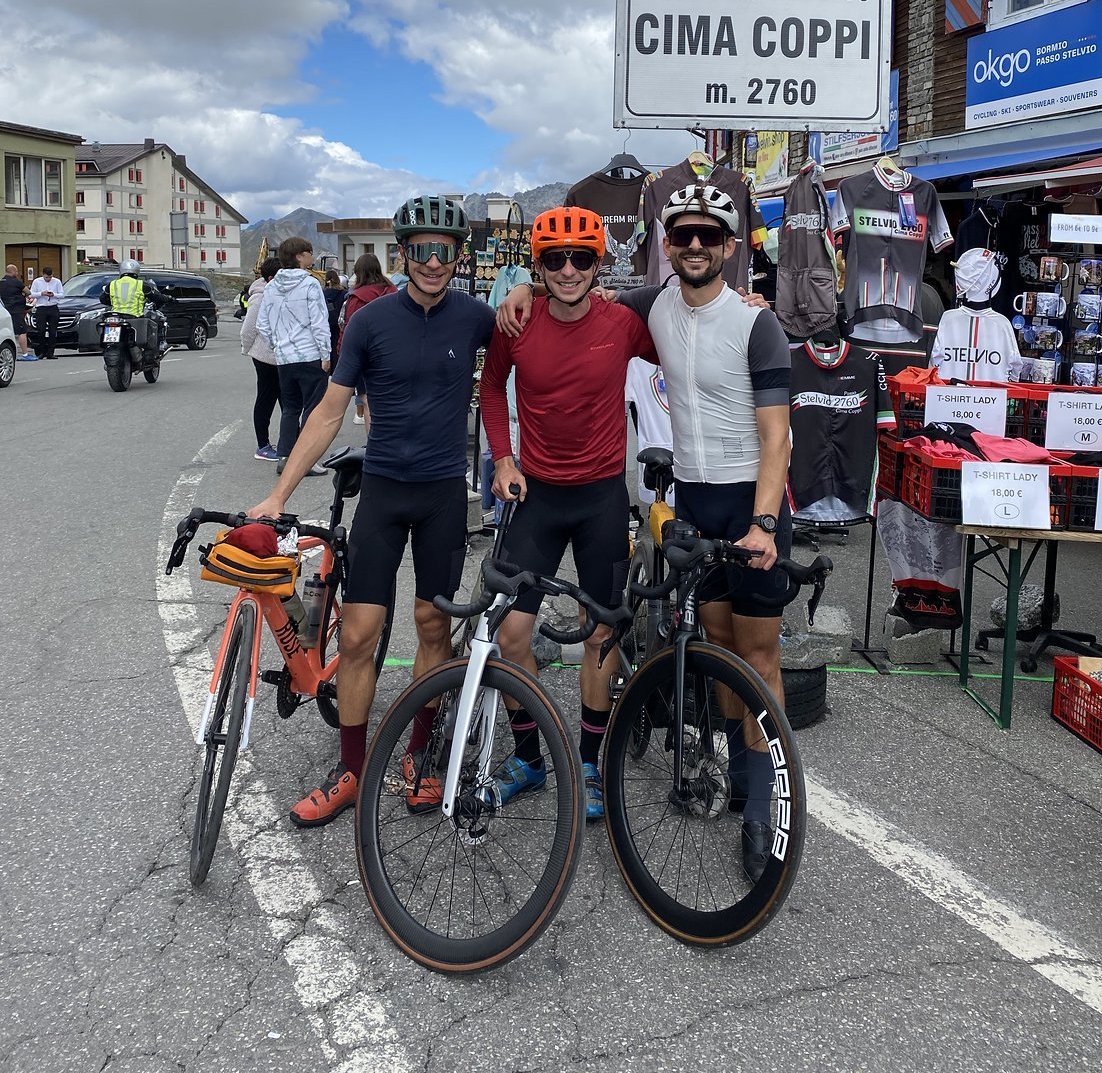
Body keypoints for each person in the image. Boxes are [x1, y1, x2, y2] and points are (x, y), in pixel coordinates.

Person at [498, 183, 791, 881]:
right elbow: (574, 304)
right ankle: (736, 773)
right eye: (682, 235)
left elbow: (778, 436)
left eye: (708, 236)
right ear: (667, 247)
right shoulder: (650, 308)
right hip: (692, 498)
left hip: (752, 501)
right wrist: (521, 295)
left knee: (761, 656)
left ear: (728, 246)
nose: (694, 246)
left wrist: (766, 521)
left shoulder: (757, 323)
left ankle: (763, 804)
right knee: (717, 642)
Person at [248, 194, 493, 828]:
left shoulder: (477, 317)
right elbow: (328, 411)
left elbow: (544, 335)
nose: (432, 261)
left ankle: (417, 757)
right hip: (383, 491)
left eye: (443, 251)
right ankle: (353, 769)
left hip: (443, 494)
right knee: (357, 636)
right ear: (403, 253)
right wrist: (279, 494)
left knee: (432, 629)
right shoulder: (369, 320)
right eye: (420, 250)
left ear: (458, 255)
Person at [480, 208, 656, 820]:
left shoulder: (624, 323)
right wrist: (503, 459)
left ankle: (587, 760)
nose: (569, 270)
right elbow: (491, 389)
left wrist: (740, 300)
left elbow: (688, 328)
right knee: (512, 633)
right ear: (539, 264)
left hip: (602, 496)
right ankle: (530, 756)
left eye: (581, 257)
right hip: (540, 496)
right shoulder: (517, 320)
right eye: (554, 259)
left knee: (600, 633)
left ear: (598, 260)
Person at [255, 237, 331, 479]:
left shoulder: (271, 286)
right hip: (309, 355)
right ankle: (306, 460)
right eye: (309, 252)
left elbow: (262, 324)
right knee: (313, 410)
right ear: (299, 256)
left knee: (290, 408)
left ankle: (285, 457)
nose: (312, 256)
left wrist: (277, 344)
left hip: (284, 358)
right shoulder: (310, 285)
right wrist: (326, 353)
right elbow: (319, 322)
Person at [341, 253, 395, 428]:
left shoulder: (358, 297)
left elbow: (350, 331)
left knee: (368, 401)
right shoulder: (392, 290)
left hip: (368, 357)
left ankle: (374, 444)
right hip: (394, 353)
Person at [240, 257, 283, 461]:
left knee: (287, 399)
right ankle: (262, 445)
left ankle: (288, 442)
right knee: (267, 398)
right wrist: (249, 350)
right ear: (271, 277)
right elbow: (248, 329)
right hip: (265, 356)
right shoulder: (259, 296)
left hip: (280, 356)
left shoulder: (276, 292)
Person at [99, 259, 169, 356]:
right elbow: (158, 297)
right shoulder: (141, 284)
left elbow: (103, 299)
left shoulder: (112, 284)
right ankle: (159, 346)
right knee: (155, 323)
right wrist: (168, 298)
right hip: (134, 317)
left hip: (115, 317)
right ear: (136, 271)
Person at [28, 265, 65, 359]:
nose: (48, 279)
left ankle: (50, 352)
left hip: (53, 307)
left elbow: (62, 294)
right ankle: (41, 351)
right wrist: (41, 293)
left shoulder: (57, 282)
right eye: (46, 277)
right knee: (41, 330)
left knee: (53, 331)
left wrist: (54, 294)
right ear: (42, 275)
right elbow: (31, 294)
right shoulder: (37, 281)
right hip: (41, 308)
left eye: (50, 277)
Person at [1, 265, 34, 360]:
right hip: (16, 310)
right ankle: (25, 354)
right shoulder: (16, 282)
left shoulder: (1, 282)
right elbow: (28, 292)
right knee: (22, 331)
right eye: (16, 272)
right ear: (13, 271)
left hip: (4, 311)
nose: (17, 273)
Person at [322, 267, 347, 363]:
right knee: (337, 345)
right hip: (338, 325)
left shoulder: (322, 293)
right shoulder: (344, 294)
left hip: (326, 324)